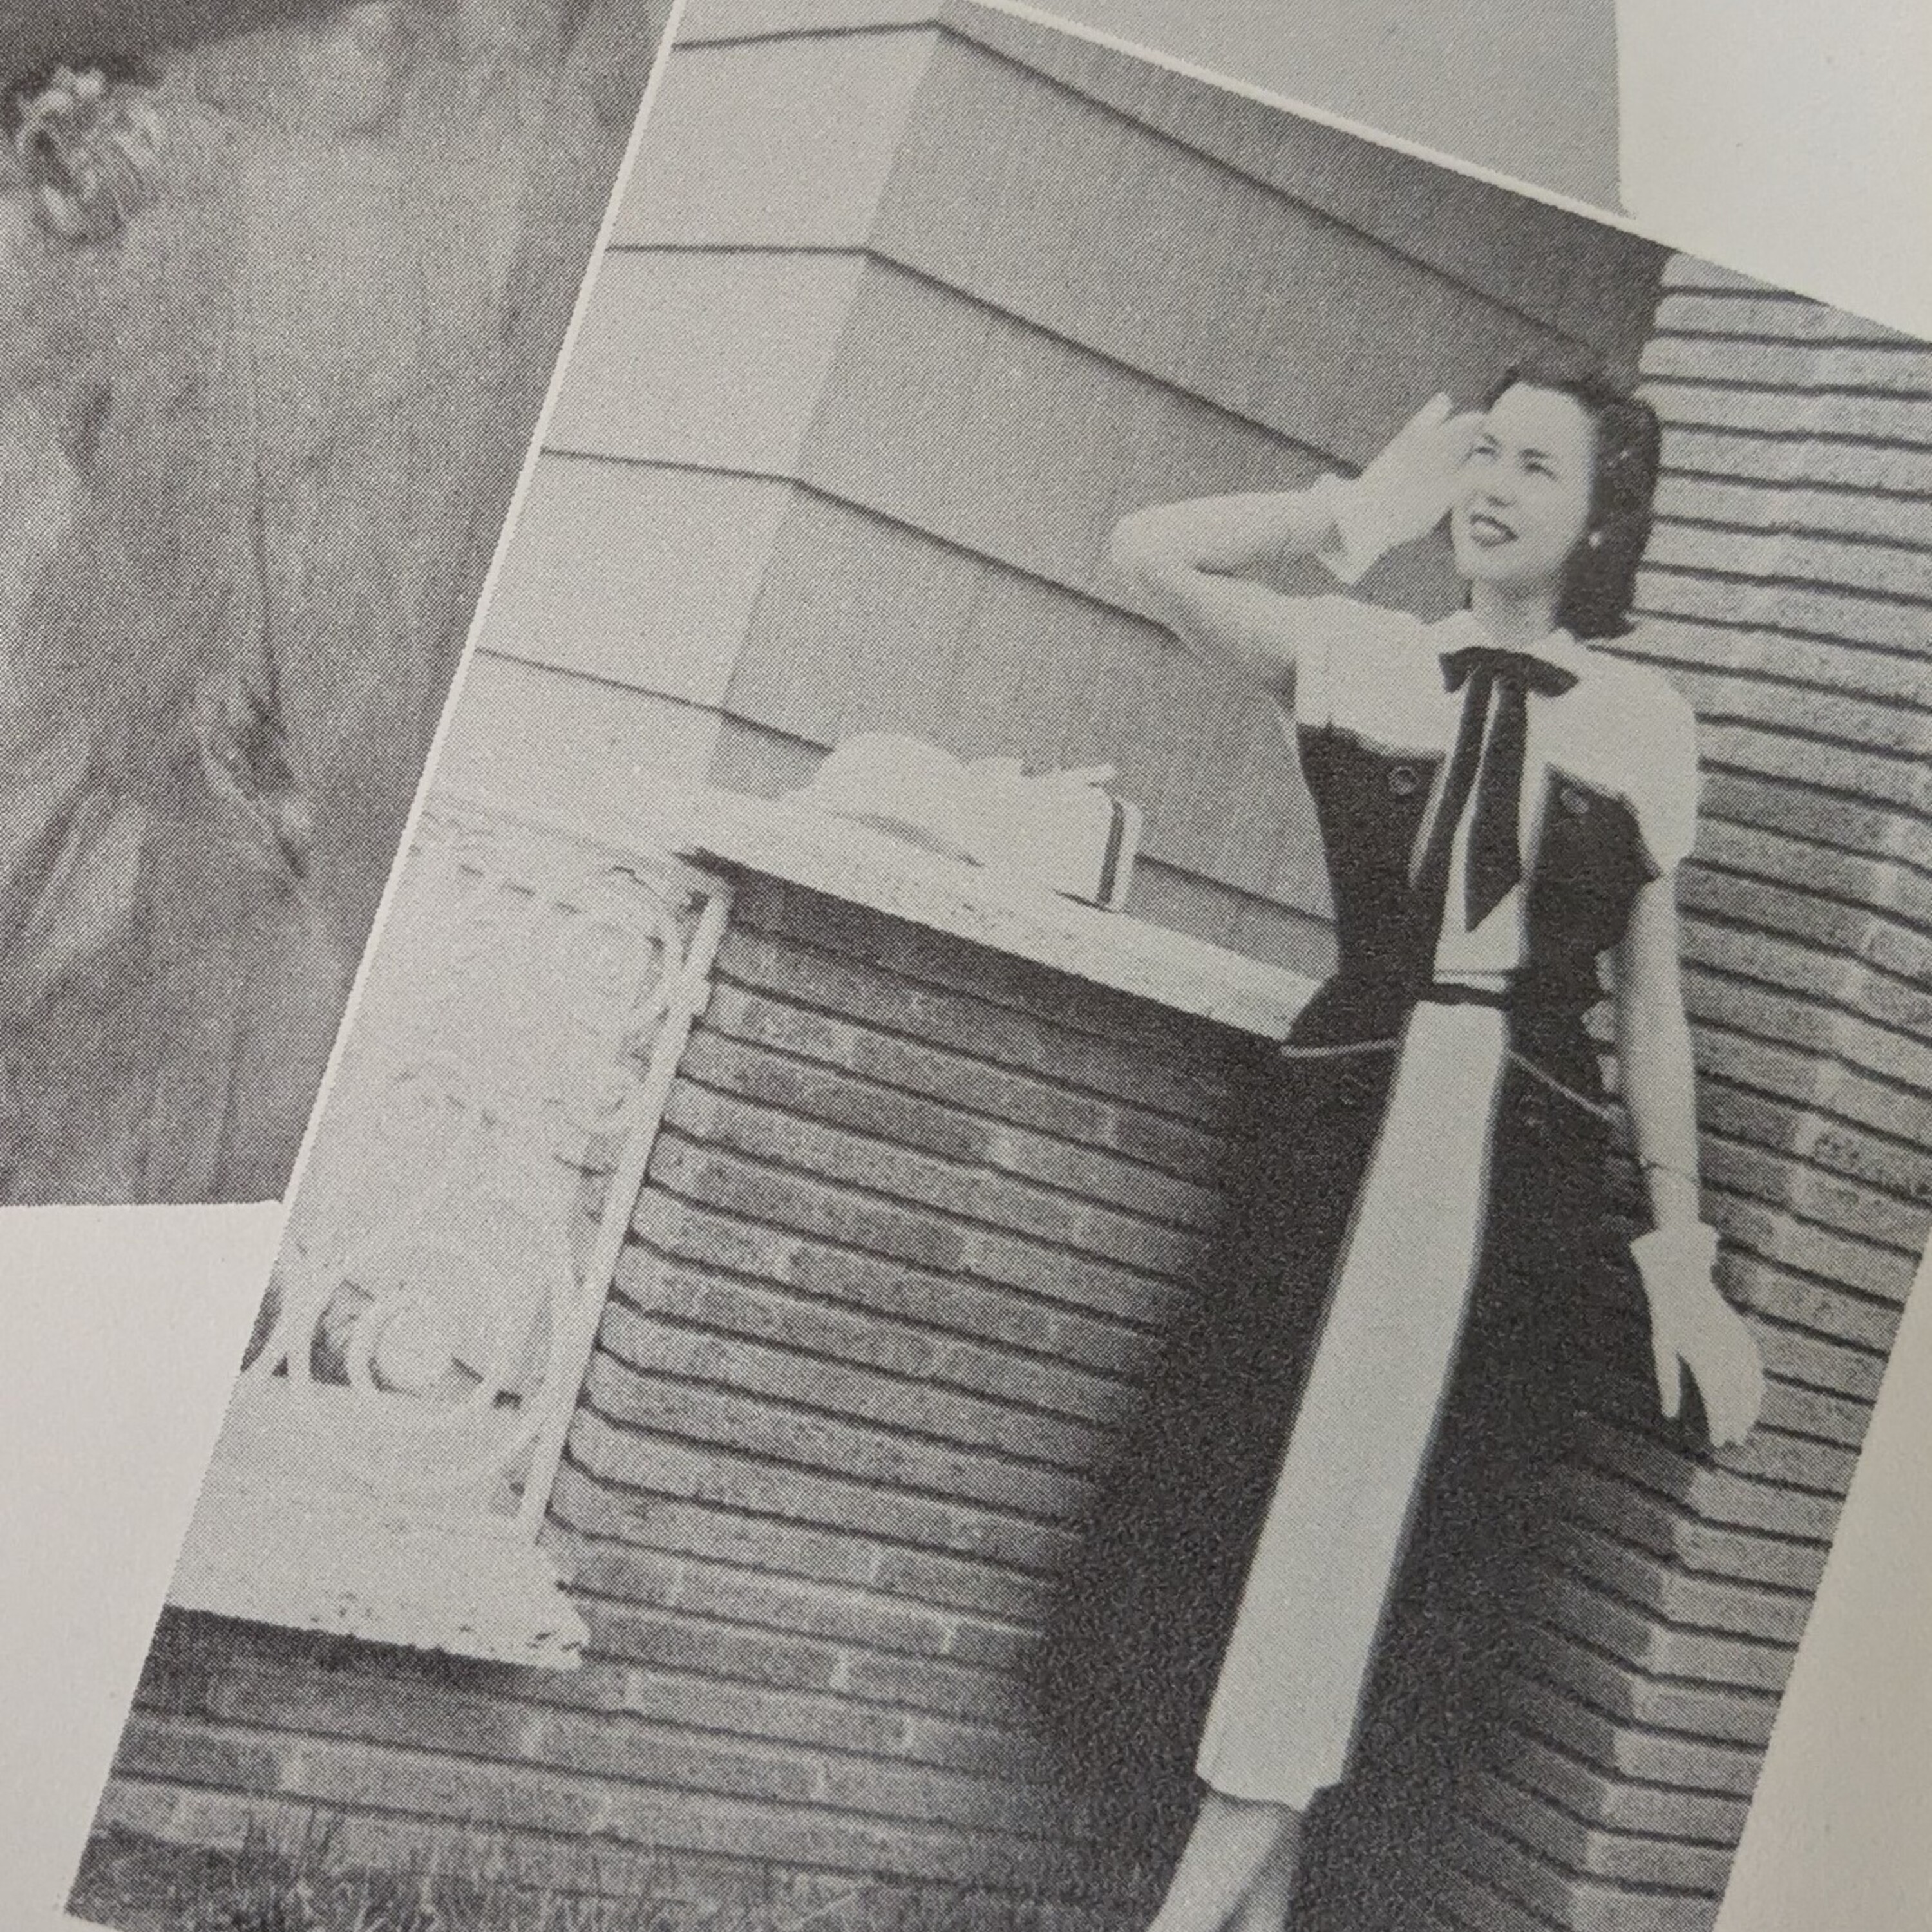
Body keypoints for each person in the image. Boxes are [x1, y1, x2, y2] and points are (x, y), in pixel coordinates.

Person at [1035, 354, 1766, 1932]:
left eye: (1538, 470)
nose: (1495, 489)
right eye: (1483, 456)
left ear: (1601, 522)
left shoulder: (1644, 723)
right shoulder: (1363, 659)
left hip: (1526, 1174)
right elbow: (1146, 546)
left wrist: (1682, 1254)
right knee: (1281, 1501)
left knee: (1403, 1537)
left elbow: (1653, 1015)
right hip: (1346, 1129)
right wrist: (1345, 514)